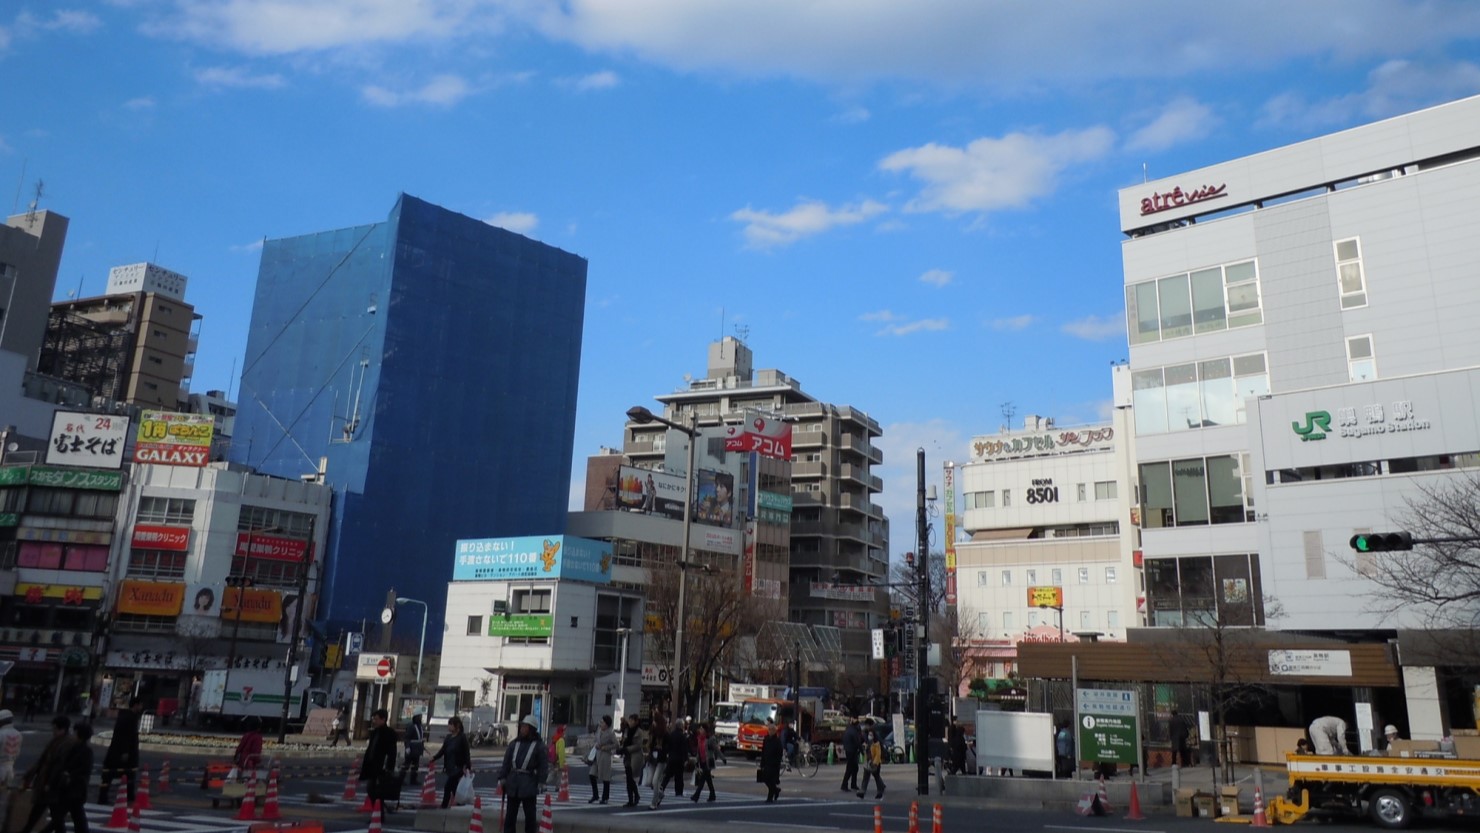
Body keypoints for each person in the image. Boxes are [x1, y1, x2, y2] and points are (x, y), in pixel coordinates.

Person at [21, 717, 77, 833]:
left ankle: (27, 830)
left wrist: (49, 782)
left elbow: (57, 765)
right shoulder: (57, 740)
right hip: (48, 781)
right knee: (47, 811)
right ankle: (27, 829)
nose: (53, 731)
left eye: (55, 728)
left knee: (51, 812)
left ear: (62, 729)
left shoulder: (66, 743)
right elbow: (43, 759)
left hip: (52, 783)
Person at [497, 716, 547, 833]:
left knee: (530, 817)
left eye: (525, 726)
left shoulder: (539, 746)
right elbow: (506, 762)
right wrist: (502, 777)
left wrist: (541, 781)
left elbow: (543, 766)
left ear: (532, 729)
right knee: (510, 816)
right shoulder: (514, 744)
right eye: (522, 726)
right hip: (513, 784)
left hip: (528, 784)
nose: (522, 729)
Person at [47, 722, 92, 833]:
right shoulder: (77, 748)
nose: (72, 734)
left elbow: (82, 769)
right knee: (77, 817)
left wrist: (68, 775)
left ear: (79, 734)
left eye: (74, 732)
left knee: (60, 817)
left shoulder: (84, 751)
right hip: (73, 789)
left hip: (73, 788)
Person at [97, 697, 142, 805]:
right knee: (119, 774)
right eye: (140, 705)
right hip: (122, 752)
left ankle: (128, 795)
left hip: (120, 751)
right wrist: (125, 751)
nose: (141, 707)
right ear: (135, 705)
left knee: (123, 774)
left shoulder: (127, 716)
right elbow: (125, 736)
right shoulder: (128, 717)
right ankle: (124, 796)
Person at [360, 709, 399, 813]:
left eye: (376, 719)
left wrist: (389, 767)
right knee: (371, 790)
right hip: (372, 766)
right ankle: (378, 812)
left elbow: (392, 753)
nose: (374, 721)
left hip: (382, 767)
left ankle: (378, 813)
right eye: (373, 719)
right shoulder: (374, 732)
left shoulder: (389, 733)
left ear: (383, 719)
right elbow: (371, 750)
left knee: (377, 791)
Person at [431, 715, 472, 809]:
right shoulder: (448, 737)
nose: (448, 727)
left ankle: (444, 805)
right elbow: (443, 750)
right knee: (454, 787)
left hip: (458, 767)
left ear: (456, 726)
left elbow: (466, 752)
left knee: (448, 786)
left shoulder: (462, 737)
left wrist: (467, 765)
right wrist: (434, 758)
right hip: (449, 766)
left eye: (450, 725)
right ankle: (460, 803)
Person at [650, 716, 688, 808]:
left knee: (665, 777)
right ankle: (677, 791)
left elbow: (667, 747)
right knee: (678, 776)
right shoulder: (682, 736)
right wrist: (686, 759)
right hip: (677, 758)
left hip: (668, 758)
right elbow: (684, 748)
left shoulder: (670, 734)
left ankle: (656, 798)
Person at [619, 714, 647, 807]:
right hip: (627, 756)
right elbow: (625, 741)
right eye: (629, 720)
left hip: (635, 756)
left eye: (632, 720)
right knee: (628, 778)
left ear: (636, 721)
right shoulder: (627, 730)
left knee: (630, 778)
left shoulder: (639, 732)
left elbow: (638, 745)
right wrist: (622, 747)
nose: (630, 722)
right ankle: (631, 799)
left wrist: (626, 749)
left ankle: (635, 797)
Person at [589, 715, 616, 804]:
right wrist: (596, 744)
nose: (601, 724)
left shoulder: (611, 733)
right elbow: (595, 740)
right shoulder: (599, 730)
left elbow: (616, 744)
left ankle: (605, 797)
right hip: (597, 754)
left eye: (603, 722)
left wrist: (606, 747)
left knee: (605, 778)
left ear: (607, 724)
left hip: (605, 756)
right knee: (592, 774)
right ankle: (595, 795)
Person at [758, 718, 785, 804]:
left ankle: (770, 797)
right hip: (766, 762)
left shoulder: (777, 741)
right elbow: (763, 751)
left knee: (771, 780)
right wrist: (762, 763)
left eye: (771, 730)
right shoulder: (766, 739)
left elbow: (779, 753)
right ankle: (776, 790)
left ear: (774, 731)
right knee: (765, 779)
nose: (769, 731)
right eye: (769, 729)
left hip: (774, 764)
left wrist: (777, 762)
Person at [688, 721, 715, 803]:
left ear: (705, 731)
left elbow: (715, 749)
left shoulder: (708, 739)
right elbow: (698, 751)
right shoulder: (699, 739)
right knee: (708, 779)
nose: (700, 730)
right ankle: (712, 794)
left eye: (701, 729)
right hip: (702, 762)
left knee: (703, 779)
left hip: (708, 762)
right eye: (700, 728)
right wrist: (697, 760)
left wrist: (722, 758)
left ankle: (696, 795)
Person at [857, 726, 885, 800]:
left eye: (871, 735)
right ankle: (862, 791)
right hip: (868, 763)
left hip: (875, 763)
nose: (870, 736)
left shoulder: (876, 744)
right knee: (865, 777)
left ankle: (880, 791)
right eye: (869, 735)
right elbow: (865, 751)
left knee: (877, 777)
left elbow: (878, 754)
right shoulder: (867, 743)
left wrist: (875, 763)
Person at [0, 709, 22, 787]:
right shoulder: (18, 734)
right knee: (4, 793)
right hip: (10, 768)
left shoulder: (1, 734)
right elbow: (17, 752)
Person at [840, 716, 862, 792]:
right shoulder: (854, 732)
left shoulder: (848, 729)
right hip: (852, 751)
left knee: (855, 768)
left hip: (848, 751)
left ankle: (853, 784)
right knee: (850, 769)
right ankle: (844, 785)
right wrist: (862, 751)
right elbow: (858, 743)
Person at [402, 714, 426, 782]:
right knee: (406, 764)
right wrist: (407, 747)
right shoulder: (411, 726)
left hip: (417, 748)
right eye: (419, 718)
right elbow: (407, 737)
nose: (420, 719)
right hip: (412, 747)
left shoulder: (419, 726)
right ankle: (401, 779)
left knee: (415, 765)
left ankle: (413, 779)